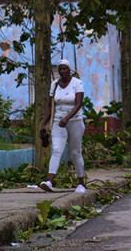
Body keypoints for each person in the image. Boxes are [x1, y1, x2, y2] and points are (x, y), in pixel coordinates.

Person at [39, 59, 87, 194]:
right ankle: (50, 181)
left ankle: (81, 184)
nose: (62, 72)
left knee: (75, 152)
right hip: (58, 122)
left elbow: (78, 104)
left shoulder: (77, 83)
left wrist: (67, 118)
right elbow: (49, 106)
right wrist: (43, 123)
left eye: (64, 69)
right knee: (57, 150)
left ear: (69, 70)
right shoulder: (54, 85)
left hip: (75, 121)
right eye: (60, 69)